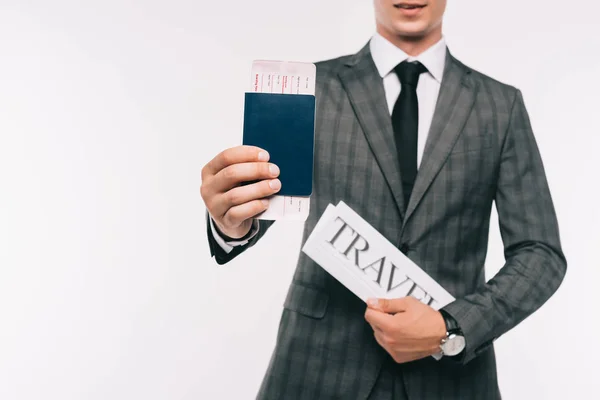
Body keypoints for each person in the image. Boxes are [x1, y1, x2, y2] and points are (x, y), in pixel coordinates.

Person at [200, 0, 567, 398]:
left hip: (450, 379)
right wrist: (230, 222)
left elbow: (540, 253)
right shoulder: (314, 87)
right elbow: (267, 202)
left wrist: (452, 326)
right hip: (316, 367)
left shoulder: (500, 106)